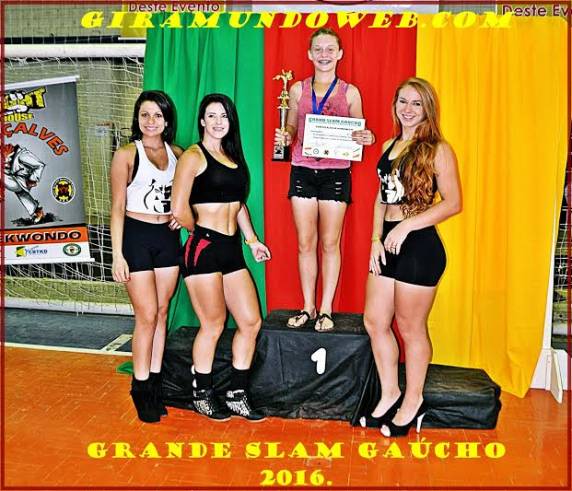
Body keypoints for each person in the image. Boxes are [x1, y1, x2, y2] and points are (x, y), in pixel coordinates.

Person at [361, 77, 461, 437]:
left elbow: (453, 203)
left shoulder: (438, 149)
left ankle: (413, 400)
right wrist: (376, 238)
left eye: (416, 103)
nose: (408, 109)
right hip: (387, 242)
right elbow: (381, 198)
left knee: (410, 328)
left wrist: (407, 226)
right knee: (375, 321)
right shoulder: (389, 144)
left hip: (419, 246)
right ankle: (390, 392)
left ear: (427, 109)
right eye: (402, 101)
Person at [171, 93, 270, 422]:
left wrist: (252, 241)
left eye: (224, 116)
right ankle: (201, 394)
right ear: (202, 120)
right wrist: (199, 232)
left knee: (251, 322)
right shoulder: (193, 156)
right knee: (213, 324)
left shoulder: (231, 157)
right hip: (203, 250)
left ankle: (237, 394)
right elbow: (178, 208)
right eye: (211, 116)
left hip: (232, 250)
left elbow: (238, 205)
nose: (218, 122)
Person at [274, 27, 375, 332]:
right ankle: (308, 306)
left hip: (336, 173)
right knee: (306, 243)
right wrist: (286, 135)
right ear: (309, 54)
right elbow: (292, 126)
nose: (324, 54)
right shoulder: (297, 90)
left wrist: (366, 137)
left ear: (340, 54)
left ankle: (327, 309)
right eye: (318, 49)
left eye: (330, 49)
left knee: (330, 243)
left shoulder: (350, 92)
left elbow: (359, 131)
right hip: (302, 170)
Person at [110, 90, 183, 423]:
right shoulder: (127, 154)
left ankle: (155, 383)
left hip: (166, 238)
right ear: (137, 118)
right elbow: (116, 208)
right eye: (144, 115)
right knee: (147, 315)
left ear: (167, 120)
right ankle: (139, 387)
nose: (150, 121)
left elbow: (187, 196)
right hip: (136, 237)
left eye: (157, 115)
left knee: (162, 312)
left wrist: (182, 215)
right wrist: (117, 255)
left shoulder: (178, 153)